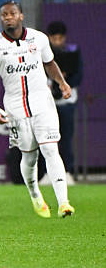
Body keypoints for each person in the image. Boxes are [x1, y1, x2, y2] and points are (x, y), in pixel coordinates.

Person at [0, 0, 75, 219]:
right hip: (15, 108)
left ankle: (64, 203)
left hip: (43, 103)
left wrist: (61, 83)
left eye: (12, 13)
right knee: (29, 157)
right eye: (4, 14)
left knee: (50, 149)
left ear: (21, 16)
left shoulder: (39, 38)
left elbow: (49, 63)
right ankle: (35, 195)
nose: (8, 17)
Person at [39, 21, 83, 185]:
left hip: (66, 102)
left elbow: (78, 76)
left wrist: (64, 80)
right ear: (49, 38)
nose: (57, 42)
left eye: (60, 39)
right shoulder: (42, 53)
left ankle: (67, 172)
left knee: (66, 138)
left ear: (64, 38)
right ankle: (46, 173)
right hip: (47, 103)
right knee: (46, 139)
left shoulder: (73, 52)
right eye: (54, 39)